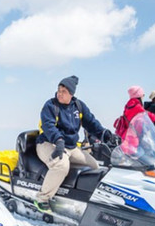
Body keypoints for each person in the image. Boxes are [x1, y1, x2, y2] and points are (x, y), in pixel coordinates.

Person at [34, 75, 112, 212]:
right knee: (61, 165)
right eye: (59, 90)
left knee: (94, 166)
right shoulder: (51, 105)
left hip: (70, 147)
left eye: (63, 91)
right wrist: (58, 140)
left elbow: (91, 123)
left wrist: (105, 134)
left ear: (71, 93)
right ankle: (42, 199)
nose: (60, 93)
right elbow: (48, 126)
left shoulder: (79, 107)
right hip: (48, 143)